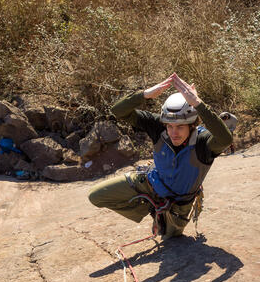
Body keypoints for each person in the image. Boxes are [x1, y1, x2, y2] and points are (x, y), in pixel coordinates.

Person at [88, 73, 233, 239]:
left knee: (169, 238)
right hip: (150, 183)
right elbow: (118, 111)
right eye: (169, 126)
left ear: (192, 125)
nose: (173, 132)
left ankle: (160, 214)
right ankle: (149, 207)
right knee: (96, 196)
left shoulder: (203, 142)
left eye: (179, 127)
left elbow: (225, 138)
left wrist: (198, 104)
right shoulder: (159, 127)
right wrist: (145, 94)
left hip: (178, 204)